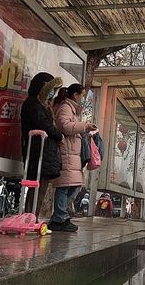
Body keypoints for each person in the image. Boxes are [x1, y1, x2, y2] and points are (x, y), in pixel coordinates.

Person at [49, 83, 97, 232]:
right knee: (64, 186)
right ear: (75, 95)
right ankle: (59, 218)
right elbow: (64, 126)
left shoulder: (73, 111)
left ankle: (59, 215)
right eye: (82, 95)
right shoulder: (65, 108)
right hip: (66, 152)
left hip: (73, 154)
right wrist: (85, 126)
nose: (83, 99)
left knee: (74, 186)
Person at [21, 72, 64, 216]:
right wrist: (58, 135)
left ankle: (33, 216)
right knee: (37, 186)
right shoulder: (32, 103)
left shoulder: (43, 105)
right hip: (37, 151)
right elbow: (43, 124)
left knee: (41, 186)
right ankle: (29, 216)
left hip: (44, 153)